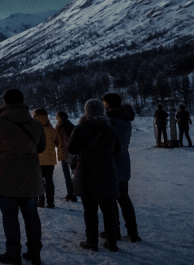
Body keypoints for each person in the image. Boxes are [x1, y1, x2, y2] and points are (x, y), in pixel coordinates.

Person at [0, 88, 45, 265]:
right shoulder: (36, 124)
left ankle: (13, 253)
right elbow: (41, 148)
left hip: (6, 177)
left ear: (5, 102)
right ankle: (35, 253)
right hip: (31, 176)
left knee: (10, 216)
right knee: (31, 216)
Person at [68, 99, 121, 252]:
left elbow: (72, 148)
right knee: (109, 210)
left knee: (90, 210)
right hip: (108, 173)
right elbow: (117, 149)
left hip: (87, 173)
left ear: (87, 111)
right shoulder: (111, 130)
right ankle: (112, 243)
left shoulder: (80, 128)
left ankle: (92, 241)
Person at [103, 92, 141, 243]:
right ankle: (133, 233)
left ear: (109, 103)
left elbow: (107, 144)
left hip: (111, 162)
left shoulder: (110, 120)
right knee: (124, 198)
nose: (103, 104)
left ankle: (113, 232)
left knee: (110, 199)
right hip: (124, 161)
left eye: (104, 102)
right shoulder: (126, 118)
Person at [33, 108, 58, 209]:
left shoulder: (33, 129)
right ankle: (51, 202)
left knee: (39, 181)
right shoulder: (52, 130)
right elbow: (59, 142)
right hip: (50, 159)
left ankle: (41, 201)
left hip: (37, 159)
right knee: (49, 180)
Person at [55, 111, 77, 202]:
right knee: (74, 174)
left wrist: (58, 144)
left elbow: (57, 140)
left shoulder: (59, 127)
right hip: (72, 153)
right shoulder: (72, 126)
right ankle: (74, 193)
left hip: (65, 153)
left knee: (67, 175)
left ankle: (71, 194)